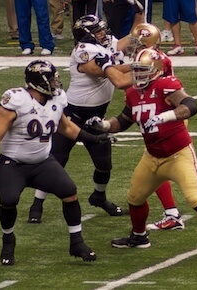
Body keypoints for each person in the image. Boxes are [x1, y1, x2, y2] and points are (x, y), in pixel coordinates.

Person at [85, 48, 197, 257]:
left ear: (156, 70)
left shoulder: (166, 85)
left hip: (178, 155)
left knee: (195, 198)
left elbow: (190, 105)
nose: (138, 74)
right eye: (137, 70)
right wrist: (104, 125)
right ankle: (139, 236)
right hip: (152, 157)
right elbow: (123, 120)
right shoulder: (133, 92)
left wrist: (164, 117)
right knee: (135, 197)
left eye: (143, 70)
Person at [0, 60, 107, 266]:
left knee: (69, 191)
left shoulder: (58, 98)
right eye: (51, 79)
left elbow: (66, 127)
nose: (55, 83)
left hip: (43, 162)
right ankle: (8, 240)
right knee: (8, 200)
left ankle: (77, 242)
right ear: (38, 82)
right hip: (14, 163)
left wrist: (94, 138)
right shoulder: (16, 100)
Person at [26, 12, 145, 223]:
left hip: (96, 116)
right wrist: (142, 68)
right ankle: (37, 204)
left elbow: (131, 39)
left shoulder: (103, 45)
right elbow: (109, 74)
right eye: (98, 31)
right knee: (56, 160)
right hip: (72, 115)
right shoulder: (83, 51)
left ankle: (99, 196)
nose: (103, 33)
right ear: (87, 35)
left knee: (104, 164)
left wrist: (139, 17)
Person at [122, 23, 197, 230]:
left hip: (166, 112)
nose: (131, 44)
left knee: (159, 161)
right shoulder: (149, 57)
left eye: (136, 41)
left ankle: (172, 212)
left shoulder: (152, 61)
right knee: (169, 163)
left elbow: (127, 82)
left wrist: (106, 70)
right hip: (161, 111)